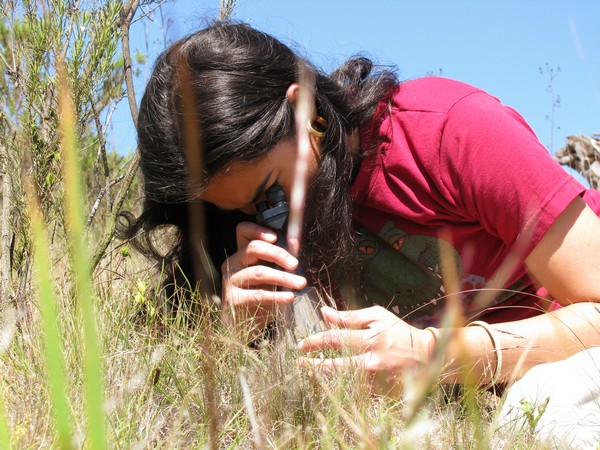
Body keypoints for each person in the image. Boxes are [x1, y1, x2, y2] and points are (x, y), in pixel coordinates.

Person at [121, 21, 600, 389]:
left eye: (270, 190)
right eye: (239, 211)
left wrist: (433, 356)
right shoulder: (249, 224)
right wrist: (229, 331)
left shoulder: (448, 131)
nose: (269, 219)